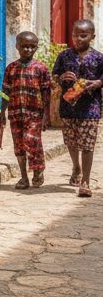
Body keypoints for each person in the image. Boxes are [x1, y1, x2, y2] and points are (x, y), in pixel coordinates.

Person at [52, 19, 103, 198]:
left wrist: (97, 83)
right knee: (71, 141)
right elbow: (54, 76)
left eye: (83, 35)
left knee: (88, 144)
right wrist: (61, 78)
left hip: (90, 107)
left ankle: (85, 182)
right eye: (75, 35)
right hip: (68, 106)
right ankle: (76, 167)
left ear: (92, 36)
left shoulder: (99, 58)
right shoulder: (64, 56)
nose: (78, 39)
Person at [0, 31, 53, 189]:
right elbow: (6, 91)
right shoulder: (11, 68)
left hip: (34, 114)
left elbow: (46, 93)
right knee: (19, 145)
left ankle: (37, 169)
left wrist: (46, 115)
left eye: (31, 46)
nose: (28, 49)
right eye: (24, 46)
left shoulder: (41, 68)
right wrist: (2, 112)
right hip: (15, 113)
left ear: (36, 47)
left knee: (32, 140)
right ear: (17, 46)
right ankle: (23, 177)